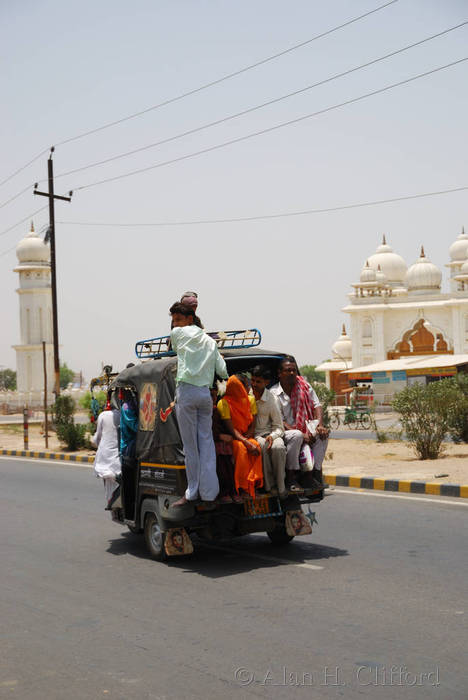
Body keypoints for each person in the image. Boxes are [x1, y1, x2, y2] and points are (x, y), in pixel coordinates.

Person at [169, 302, 228, 506]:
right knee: (206, 444)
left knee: (190, 447)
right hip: (204, 394)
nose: (175, 324)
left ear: (189, 319)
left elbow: (176, 348)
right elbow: (222, 370)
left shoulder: (177, 334)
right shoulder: (210, 342)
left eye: (178, 319)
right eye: (174, 320)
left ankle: (192, 493)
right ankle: (209, 493)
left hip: (186, 392)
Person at [271, 357, 328, 491]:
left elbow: (317, 405)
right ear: (280, 373)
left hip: (305, 428)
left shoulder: (305, 386)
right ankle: (291, 477)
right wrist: (303, 435)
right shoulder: (273, 393)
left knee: (322, 435)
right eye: (288, 370)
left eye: (294, 370)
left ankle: (314, 473)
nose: (291, 373)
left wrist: (319, 426)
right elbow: (278, 420)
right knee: (296, 435)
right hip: (284, 431)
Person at [217, 375, 263, 499]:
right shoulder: (224, 403)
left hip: (246, 436)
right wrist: (246, 442)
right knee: (241, 449)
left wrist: (248, 439)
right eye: (243, 386)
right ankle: (242, 487)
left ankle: (253, 485)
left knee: (257, 446)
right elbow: (231, 429)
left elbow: (253, 426)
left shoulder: (250, 400)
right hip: (235, 438)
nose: (247, 388)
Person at [250, 365, 287, 498]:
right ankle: (269, 486)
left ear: (266, 382)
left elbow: (279, 427)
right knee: (262, 446)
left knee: (278, 447)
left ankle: (281, 487)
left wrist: (272, 436)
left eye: (258, 381)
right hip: (254, 435)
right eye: (252, 380)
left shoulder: (272, 399)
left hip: (270, 434)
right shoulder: (246, 396)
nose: (254, 384)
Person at [210, 387, 241, 504]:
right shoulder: (204, 411)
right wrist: (219, 436)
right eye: (209, 395)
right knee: (221, 470)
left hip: (223, 445)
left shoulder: (218, 408)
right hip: (212, 445)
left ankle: (233, 492)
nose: (212, 398)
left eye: (214, 395)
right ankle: (224, 493)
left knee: (229, 469)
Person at [92, 392, 122, 510]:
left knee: (107, 477)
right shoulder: (123, 414)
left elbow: (97, 437)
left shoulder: (103, 415)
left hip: (104, 454)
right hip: (118, 455)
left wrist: (97, 444)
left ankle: (110, 500)